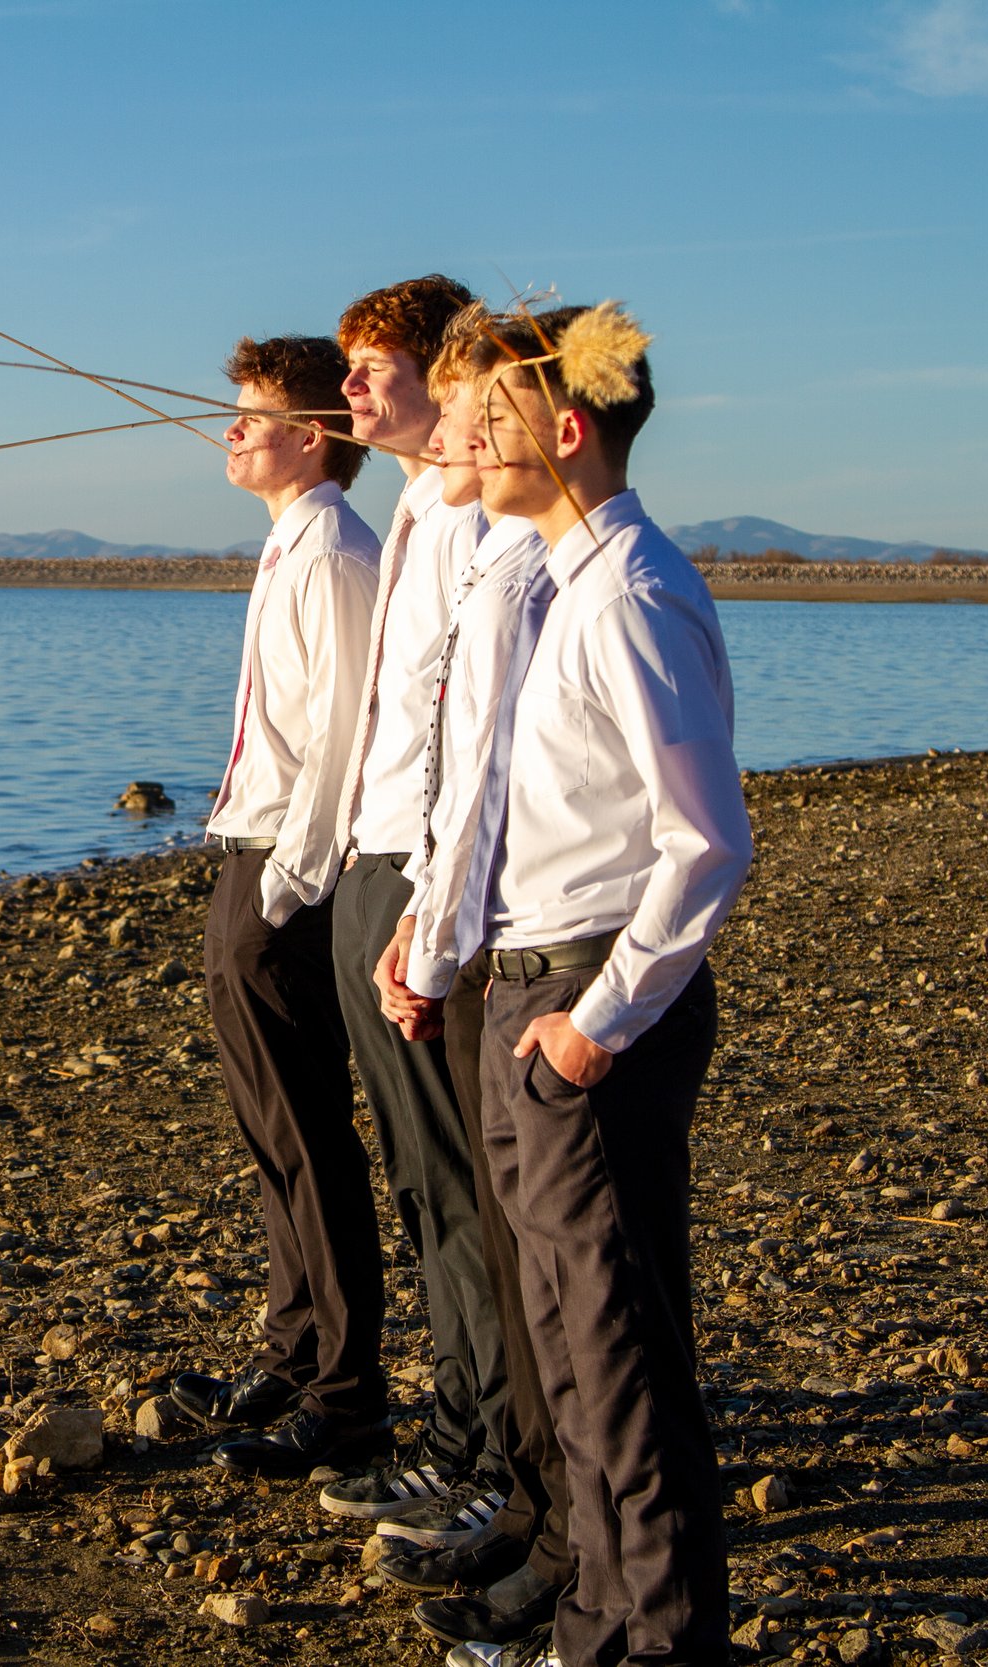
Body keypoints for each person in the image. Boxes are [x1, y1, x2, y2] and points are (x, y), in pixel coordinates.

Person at [410, 305, 752, 1667]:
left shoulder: (630, 592)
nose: (463, 439)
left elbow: (708, 839)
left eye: (488, 416)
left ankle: (661, 1637)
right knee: (563, 1339)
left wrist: (591, 1029)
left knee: (619, 1358)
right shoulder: (560, 581)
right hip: (534, 992)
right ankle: (597, 1618)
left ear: (565, 430)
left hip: (590, 1003)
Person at [362, 339, 572, 1650]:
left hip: (535, 953)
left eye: (488, 415)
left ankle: (586, 1561)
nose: (464, 438)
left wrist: (440, 943)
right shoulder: (492, 548)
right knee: (486, 1229)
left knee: (558, 1277)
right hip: (452, 915)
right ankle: (540, 1515)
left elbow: (504, 784)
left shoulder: (574, 578)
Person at [310, 278, 520, 1544]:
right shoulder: (406, 501)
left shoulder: (467, 512)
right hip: (373, 859)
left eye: (370, 367)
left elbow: (467, 732)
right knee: (417, 1180)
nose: (350, 392)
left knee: (456, 1180)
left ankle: (493, 1446)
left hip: (421, 874)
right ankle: (459, 1423)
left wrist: (426, 905)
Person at [173, 334, 387, 1478]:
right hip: (252, 859)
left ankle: (349, 1398)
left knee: (310, 1135)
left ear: (314, 435)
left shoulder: (336, 553)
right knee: (268, 1128)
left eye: (251, 413)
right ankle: (295, 1347)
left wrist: (285, 886)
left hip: (288, 876)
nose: (231, 428)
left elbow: (346, 743)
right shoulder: (287, 544)